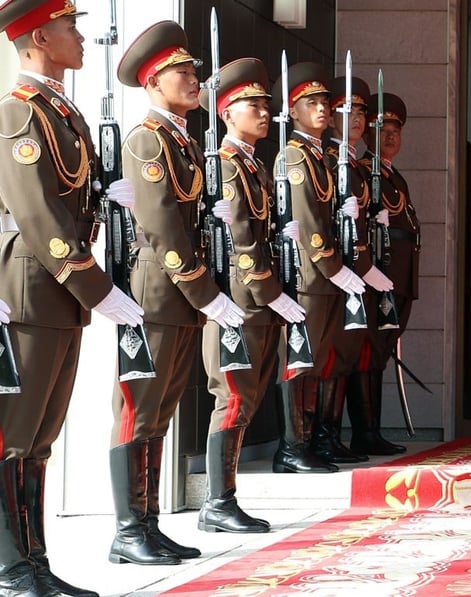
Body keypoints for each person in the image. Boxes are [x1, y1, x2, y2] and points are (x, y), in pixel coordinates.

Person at [0, 2, 143, 594]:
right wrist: (98, 287)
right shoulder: (18, 113)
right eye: (70, 28)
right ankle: (10, 566)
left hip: (59, 295)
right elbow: (37, 214)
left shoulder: (62, 111)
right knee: (14, 434)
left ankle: (35, 561)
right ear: (39, 37)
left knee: (41, 436)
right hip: (35, 287)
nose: (81, 38)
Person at [108, 21, 246, 566]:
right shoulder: (147, 139)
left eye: (193, 71)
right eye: (181, 73)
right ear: (152, 81)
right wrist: (204, 291)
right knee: (138, 411)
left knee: (161, 411)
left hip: (180, 298)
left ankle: (148, 522)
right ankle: (127, 530)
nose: (194, 80)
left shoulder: (183, 141)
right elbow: (161, 224)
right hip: (158, 293)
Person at [196, 58, 306, 533]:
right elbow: (240, 240)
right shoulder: (224, 165)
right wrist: (271, 293)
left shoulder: (254, 166)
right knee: (234, 397)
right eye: (251, 104)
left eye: (265, 103)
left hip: (258, 305)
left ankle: (225, 498)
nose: (264, 111)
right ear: (225, 112)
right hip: (238, 303)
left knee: (249, 398)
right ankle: (217, 503)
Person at [271, 62, 365, 473]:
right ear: (293, 112)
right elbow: (308, 221)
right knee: (300, 359)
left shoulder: (320, 156)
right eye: (311, 103)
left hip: (324, 279)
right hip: (309, 277)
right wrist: (333, 266)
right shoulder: (294, 155)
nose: (323, 109)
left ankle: (309, 441)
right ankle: (292, 447)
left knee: (320, 360)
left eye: (325, 102)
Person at [314, 75, 392, 465]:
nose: (357, 118)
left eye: (361, 111)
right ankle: (319, 438)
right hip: (334, 272)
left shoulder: (354, 163)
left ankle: (331, 435)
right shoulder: (326, 158)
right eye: (348, 111)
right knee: (328, 358)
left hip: (355, 273)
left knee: (345, 357)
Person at [350, 91, 419, 456]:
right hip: (379, 274)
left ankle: (372, 429)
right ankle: (365, 431)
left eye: (396, 130)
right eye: (381, 130)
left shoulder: (393, 175)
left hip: (398, 275)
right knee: (368, 351)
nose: (390, 137)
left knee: (380, 352)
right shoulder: (364, 171)